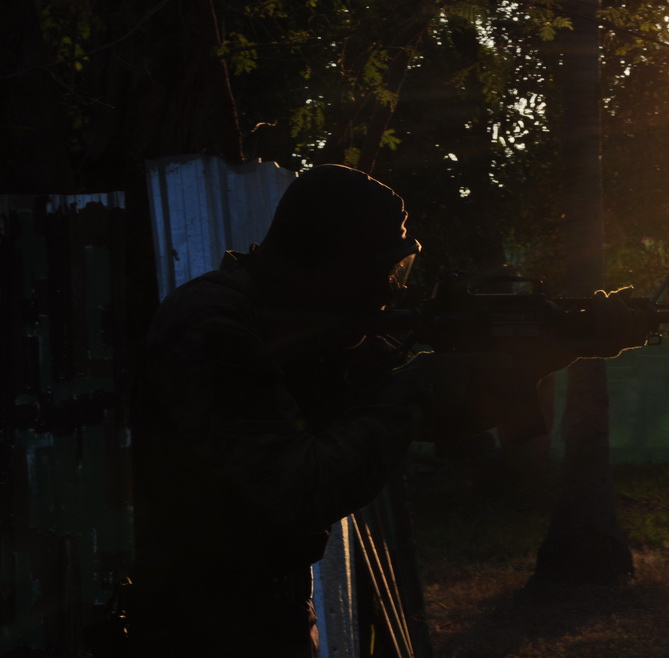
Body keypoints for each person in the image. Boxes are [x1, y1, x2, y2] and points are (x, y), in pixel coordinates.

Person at [127, 164, 642, 656]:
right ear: (329, 259)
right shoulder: (213, 326)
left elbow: (435, 422)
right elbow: (300, 488)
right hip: (199, 621)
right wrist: (417, 384)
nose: (390, 290)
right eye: (382, 268)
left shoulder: (309, 329)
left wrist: (557, 349)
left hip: (262, 610)